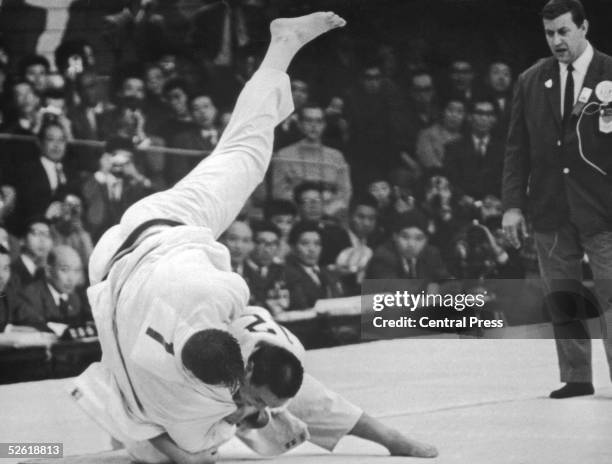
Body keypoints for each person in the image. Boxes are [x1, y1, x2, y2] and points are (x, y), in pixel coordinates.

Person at [74, 13, 437, 463]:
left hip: (165, 228)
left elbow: (275, 372)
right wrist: (232, 425)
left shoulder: (230, 294)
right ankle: (371, 434)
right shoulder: (163, 378)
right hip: (121, 275)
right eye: (247, 397)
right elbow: (97, 393)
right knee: (159, 441)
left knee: (246, 153)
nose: (248, 405)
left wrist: (251, 413)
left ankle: (282, 44)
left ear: (242, 356)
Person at [502, 0, 612, 399]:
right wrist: (512, 205)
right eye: (549, 33)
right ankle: (577, 376)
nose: (557, 41)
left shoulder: (609, 72)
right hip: (550, 204)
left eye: (564, 31)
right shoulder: (532, 79)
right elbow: (517, 147)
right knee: (562, 292)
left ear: (584, 27)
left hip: (603, 207)